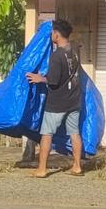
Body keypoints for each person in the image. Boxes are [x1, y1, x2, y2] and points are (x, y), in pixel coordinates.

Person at [25, 19, 83, 178]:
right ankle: (77, 167)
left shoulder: (57, 56)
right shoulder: (74, 51)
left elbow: (53, 80)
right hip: (74, 101)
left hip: (57, 103)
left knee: (46, 134)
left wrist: (39, 78)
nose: (51, 35)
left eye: (52, 32)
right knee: (74, 133)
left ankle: (42, 169)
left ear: (56, 34)